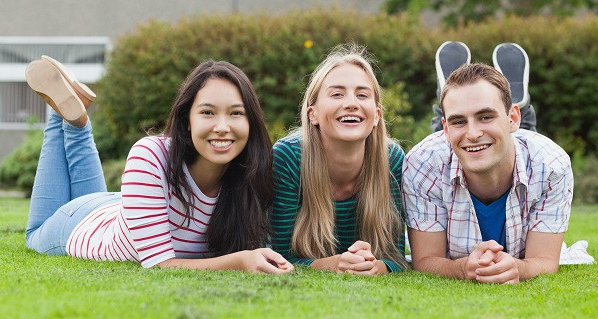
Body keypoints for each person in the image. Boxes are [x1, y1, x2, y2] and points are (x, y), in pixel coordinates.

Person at [24, 55, 294, 273]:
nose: (222, 127)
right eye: (207, 113)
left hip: (120, 209)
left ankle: (75, 115)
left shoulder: (254, 173)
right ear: (187, 121)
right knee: (34, 234)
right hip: (80, 227)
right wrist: (240, 261)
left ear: (251, 121)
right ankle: (63, 114)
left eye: (236, 113)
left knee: (104, 205)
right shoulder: (152, 154)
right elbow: (159, 263)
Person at [402, 42, 573, 284]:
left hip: (524, 149)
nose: (473, 132)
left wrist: (518, 268)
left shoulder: (552, 166)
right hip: (445, 155)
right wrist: (463, 269)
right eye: (458, 121)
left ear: (513, 117)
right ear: (445, 129)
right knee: (475, 143)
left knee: (504, 142)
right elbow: (426, 259)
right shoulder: (421, 165)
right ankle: (454, 102)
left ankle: (475, 104)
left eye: (485, 116)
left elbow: (545, 261)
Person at [271, 43, 408, 275]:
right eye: (337, 94)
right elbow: (278, 256)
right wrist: (334, 264)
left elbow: (396, 257)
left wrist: (377, 267)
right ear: (312, 114)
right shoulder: (288, 158)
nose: (351, 103)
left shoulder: (391, 159)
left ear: (376, 115)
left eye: (362, 95)